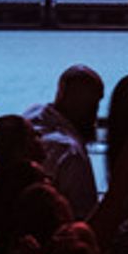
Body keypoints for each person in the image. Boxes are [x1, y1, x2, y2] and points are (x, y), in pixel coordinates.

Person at [24, 65, 104, 219]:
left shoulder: (33, 116)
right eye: (92, 105)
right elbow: (83, 214)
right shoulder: (70, 153)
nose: (94, 115)